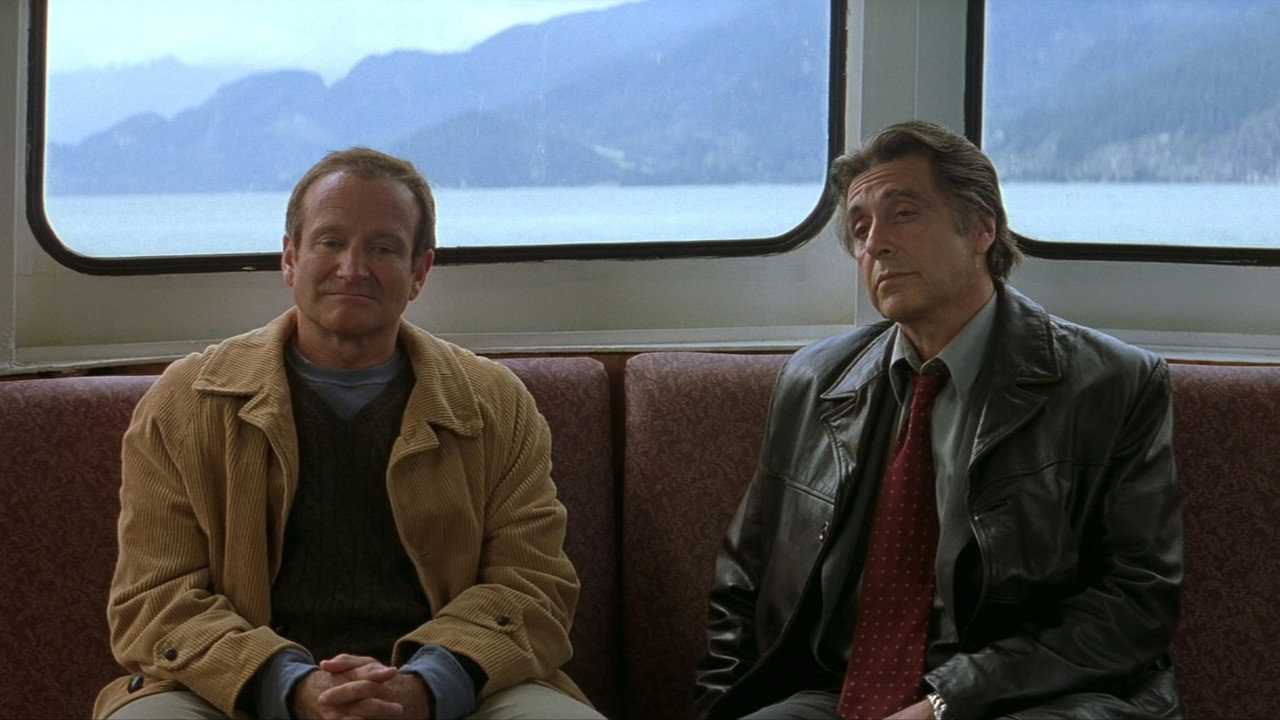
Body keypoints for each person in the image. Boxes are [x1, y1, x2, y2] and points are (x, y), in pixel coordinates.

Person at [693, 120, 1183, 719]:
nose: (875, 244)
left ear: (981, 228)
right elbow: (741, 583)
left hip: (1026, 697)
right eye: (860, 228)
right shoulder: (813, 381)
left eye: (903, 214)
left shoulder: (1112, 384)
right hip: (834, 693)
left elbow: (1136, 604)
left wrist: (946, 700)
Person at [93, 147, 602, 720]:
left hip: (458, 690)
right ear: (291, 259)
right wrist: (293, 688)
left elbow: (533, 586)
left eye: (383, 248)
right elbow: (155, 601)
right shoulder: (186, 402)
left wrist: (423, 687)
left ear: (419, 272)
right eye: (330, 242)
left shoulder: (496, 404)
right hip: (235, 693)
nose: (353, 268)